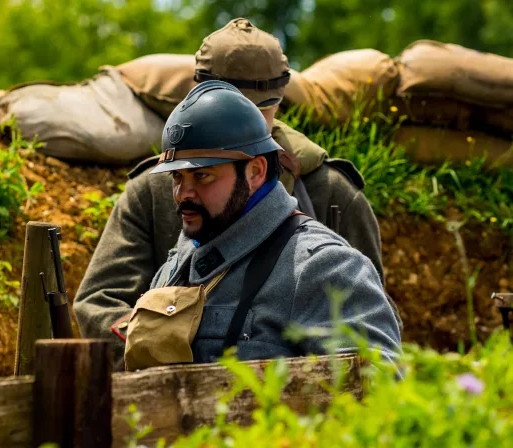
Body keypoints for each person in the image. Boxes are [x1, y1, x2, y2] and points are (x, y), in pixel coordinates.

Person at [73, 18, 402, 369]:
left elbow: (372, 349)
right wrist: (160, 342)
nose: (186, 191)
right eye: (225, 107)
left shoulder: (331, 197)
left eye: (204, 176)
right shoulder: (156, 193)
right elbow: (99, 302)